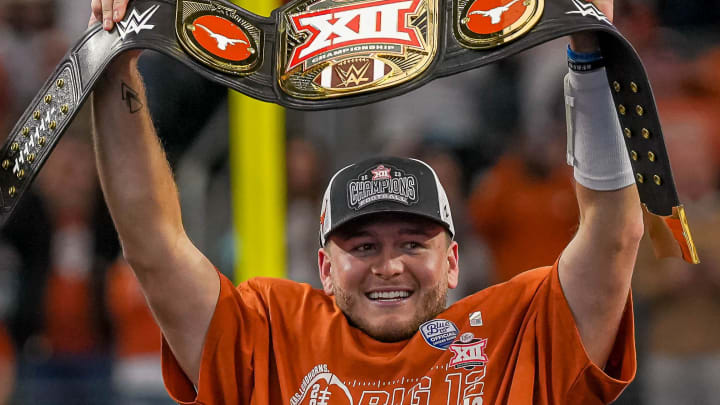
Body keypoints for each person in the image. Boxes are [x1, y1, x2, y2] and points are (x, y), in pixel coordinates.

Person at [89, 0, 641, 403]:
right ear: (325, 269)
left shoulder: (517, 334)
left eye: (412, 242)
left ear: (452, 262)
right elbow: (152, 244)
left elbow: (614, 234)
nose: (389, 264)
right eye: (362, 244)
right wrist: (116, 63)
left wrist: (590, 56)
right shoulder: (271, 334)